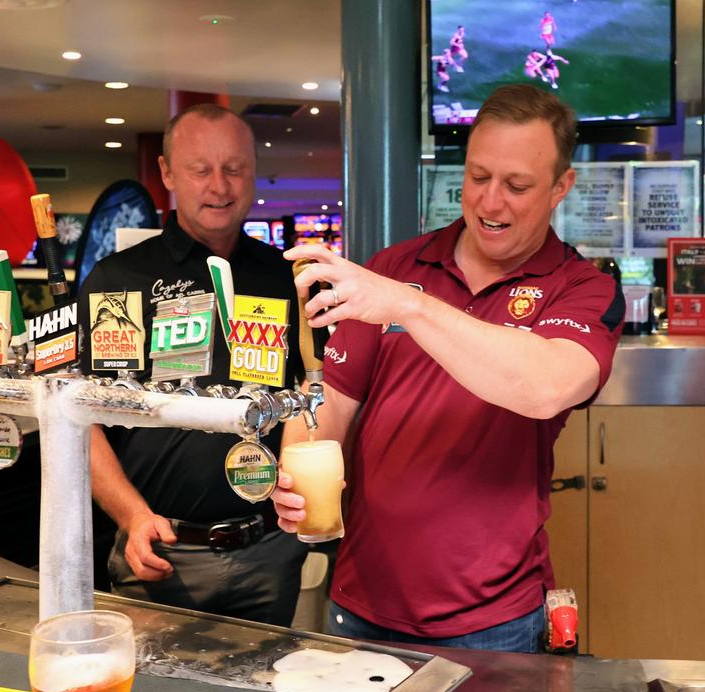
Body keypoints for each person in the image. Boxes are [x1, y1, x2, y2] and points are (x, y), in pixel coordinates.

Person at [273, 84, 624, 653]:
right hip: (361, 601)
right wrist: (295, 473)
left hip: (494, 620)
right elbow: (332, 400)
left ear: (561, 187)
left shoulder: (581, 288)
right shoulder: (397, 267)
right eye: (479, 177)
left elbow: (545, 386)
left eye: (517, 186)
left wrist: (409, 306)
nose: (490, 202)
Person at [78, 104, 308, 625]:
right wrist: (132, 517)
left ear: (253, 172)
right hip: (158, 552)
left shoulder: (285, 278)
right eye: (200, 169)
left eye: (234, 168)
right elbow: (80, 421)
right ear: (166, 174)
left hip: (268, 551)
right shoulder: (119, 279)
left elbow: (310, 400)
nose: (219, 185)